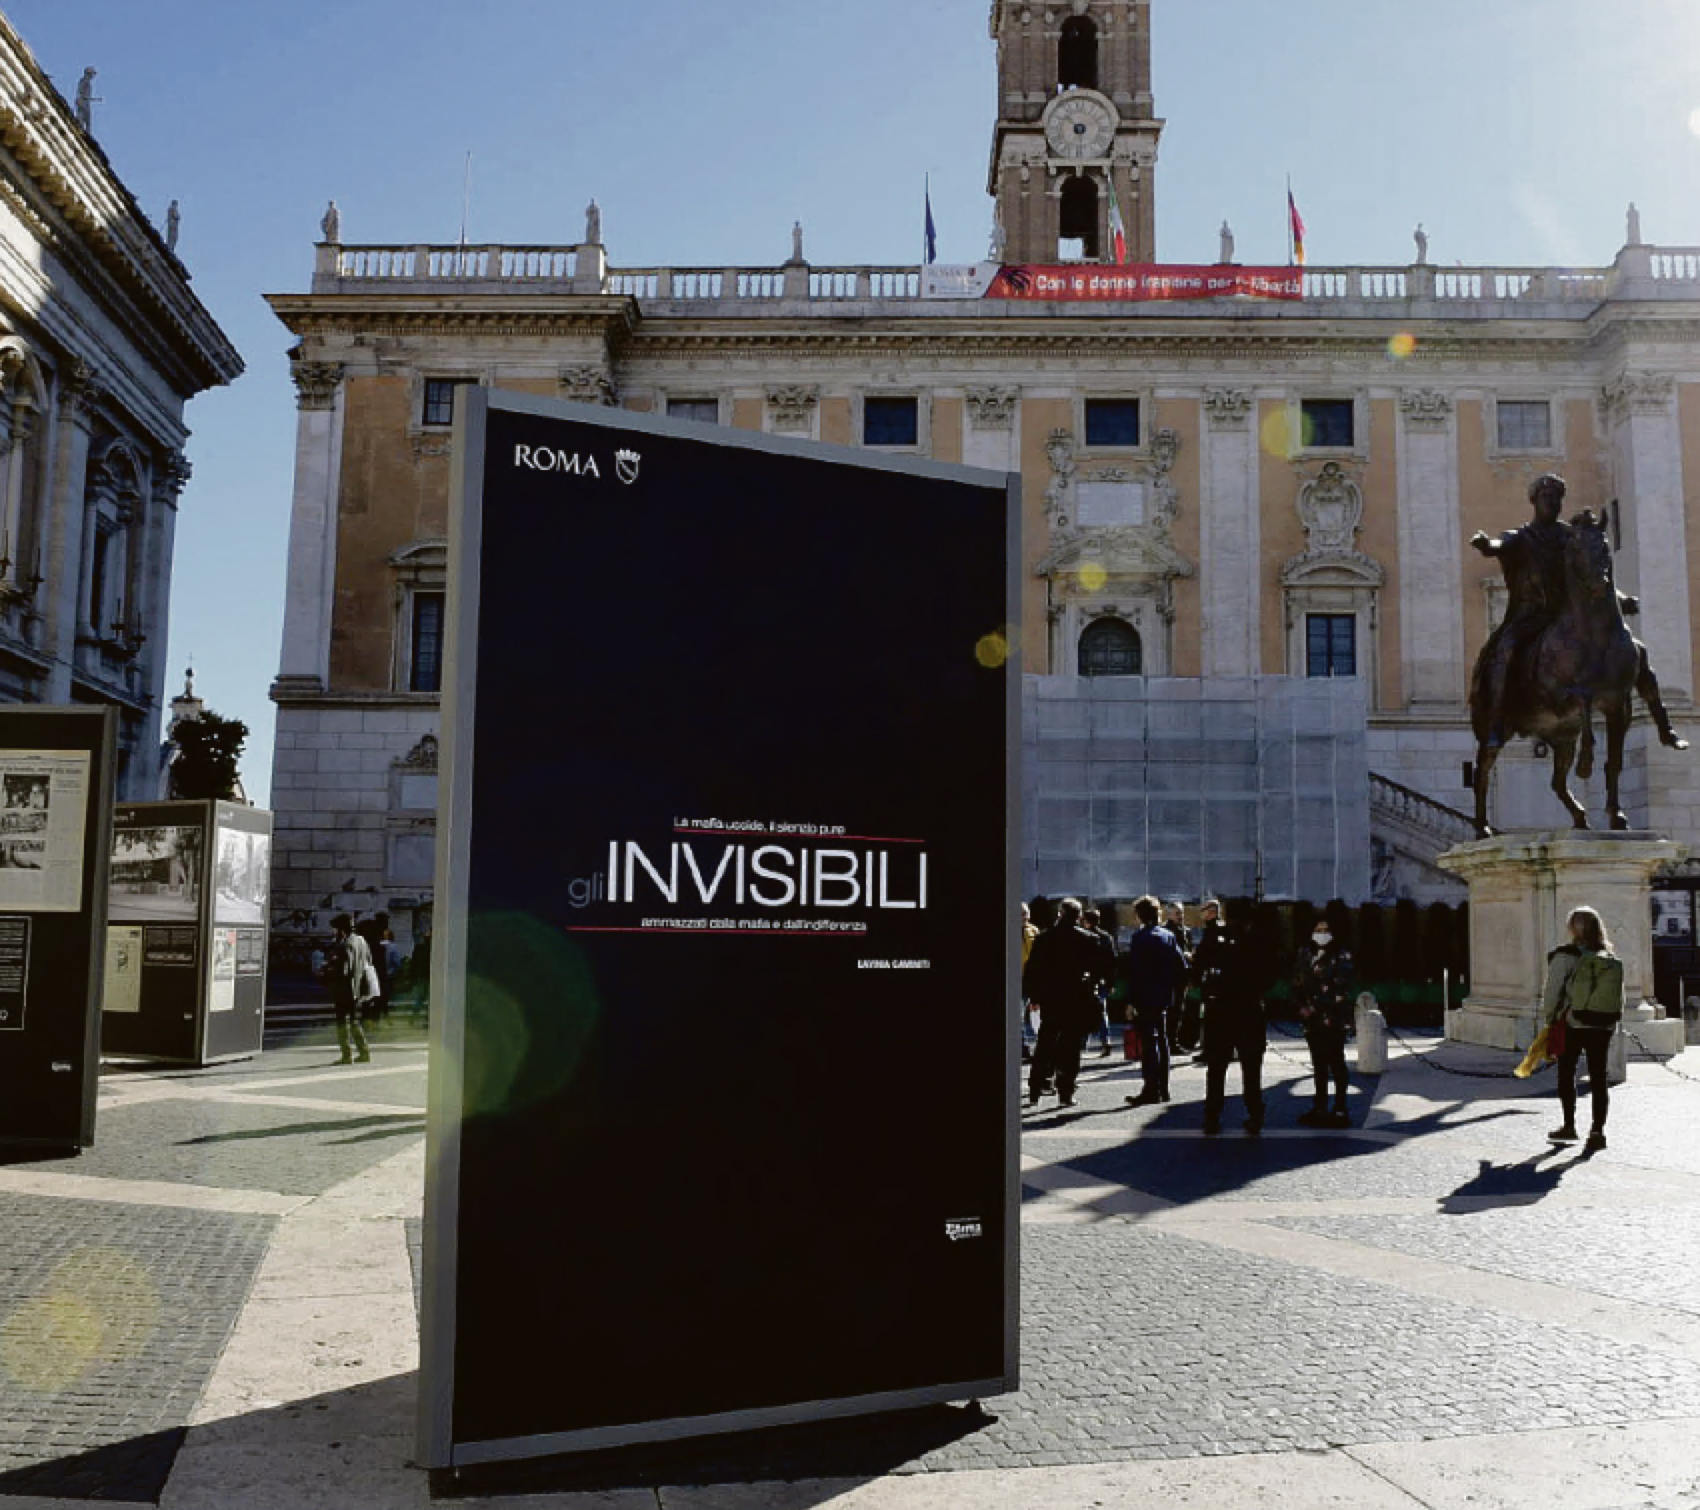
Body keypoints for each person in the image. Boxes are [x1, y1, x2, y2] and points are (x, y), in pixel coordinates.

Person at [1545, 906, 1625, 1154]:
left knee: (1566, 1073)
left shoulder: (1565, 956)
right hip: (1602, 1025)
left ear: (1572, 929)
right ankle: (1597, 1131)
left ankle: (1569, 1125)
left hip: (1572, 1022)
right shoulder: (1607, 956)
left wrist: (1550, 1019)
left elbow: (1552, 992)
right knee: (1598, 1077)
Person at [1023, 898, 1112, 1109]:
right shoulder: (1088, 939)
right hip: (1076, 998)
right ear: (1079, 916)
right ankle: (1066, 1092)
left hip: (1051, 998)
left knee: (1045, 1043)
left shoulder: (1044, 938)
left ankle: (1035, 1089)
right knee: (1071, 1047)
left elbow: (1033, 970)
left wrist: (1034, 998)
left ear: (1060, 914)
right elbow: (1099, 969)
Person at [1195, 902, 1267, 1136]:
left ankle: (1212, 1117)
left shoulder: (1214, 936)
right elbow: (1272, 972)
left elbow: (1197, 970)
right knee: (1251, 1066)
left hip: (1220, 1008)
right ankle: (1255, 1115)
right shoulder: (1258, 939)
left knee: (1216, 1067)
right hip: (1250, 1009)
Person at [1122, 896, 1188, 1108]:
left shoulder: (1140, 938)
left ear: (1139, 915)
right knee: (1163, 1040)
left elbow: (1136, 973)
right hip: (1164, 995)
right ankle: (1164, 1087)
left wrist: (1131, 1001)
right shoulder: (1168, 936)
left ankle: (1151, 1088)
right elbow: (1182, 966)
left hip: (1145, 996)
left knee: (1149, 1043)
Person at [1294, 916, 1354, 1126]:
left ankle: (1340, 1107)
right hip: (1311, 1022)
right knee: (1318, 1065)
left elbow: (1342, 988)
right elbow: (1298, 982)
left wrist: (1315, 1007)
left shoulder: (1342, 954)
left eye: (1326, 929)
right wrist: (1301, 1005)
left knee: (1336, 1062)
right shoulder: (1305, 953)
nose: (1321, 933)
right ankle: (1319, 1107)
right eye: (1318, 929)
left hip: (1333, 1019)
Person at [322, 913, 376, 1064]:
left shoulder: (344, 945)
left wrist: (328, 969)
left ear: (341, 930)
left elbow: (343, 971)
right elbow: (369, 961)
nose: (333, 932)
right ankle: (364, 1052)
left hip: (343, 989)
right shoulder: (362, 941)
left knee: (342, 1021)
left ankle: (346, 1054)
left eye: (334, 929)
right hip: (358, 988)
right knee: (354, 1020)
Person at [1082, 906, 1118, 1057]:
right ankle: (1106, 1041)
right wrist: (1111, 982)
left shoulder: (1083, 936)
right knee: (1102, 1011)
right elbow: (1112, 961)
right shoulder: (1106, 937)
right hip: (1102, 979)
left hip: (1086, 980)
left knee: (1083, 1011)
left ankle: (1083, 1043)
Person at [1163, 900, 1193, 1053]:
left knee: (1179, 1009)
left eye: (1181, 912)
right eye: (1177, 913)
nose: (1180, 916)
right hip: (1170, 975)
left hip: (1182, 975)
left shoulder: (1186, 931)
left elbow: (1189, 948)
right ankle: (1169, 1041)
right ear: (1169, 915)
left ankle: (1174, 1040)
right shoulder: (1165, 931)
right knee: (1171, 1009)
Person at [356, 911, 393, 1018]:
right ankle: (375, 1017)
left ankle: (368, 1016)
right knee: (377, 999)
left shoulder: (365, 943)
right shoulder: (378, 946)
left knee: (368, 1001)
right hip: (375, 975)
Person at [1019, 902, 1040, 1062]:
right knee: (1018, 1015)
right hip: (1016, 978)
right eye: (1021, 913)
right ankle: (1023, 1047)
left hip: (1032, 978)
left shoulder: (1034, 931)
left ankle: (1039, 1046)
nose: (1023, 917)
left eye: (1025, 913)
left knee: (1036, 1014)